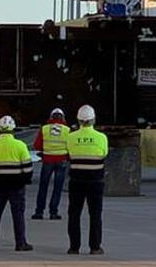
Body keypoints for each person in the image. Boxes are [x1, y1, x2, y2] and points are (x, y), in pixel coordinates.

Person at [0, 115, 33, 252]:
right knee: (18, 215)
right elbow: (28, 170)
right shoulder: (20, 146)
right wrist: (23, 181)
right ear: (13, 129)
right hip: (16, 187)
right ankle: (20, 243)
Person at [66, 104, 108, 256]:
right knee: (95, 214)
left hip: (76, 181)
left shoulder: (70, 137)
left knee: (74, 214)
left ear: (78, 120)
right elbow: (104, 154)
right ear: (93, 120)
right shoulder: (101, 138)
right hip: (96, 181)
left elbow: (69, 154)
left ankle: (74, 247)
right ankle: (95, 247)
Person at [32, 107, 70, 220]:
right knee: (57, 188)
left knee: (43, 187)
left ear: (51, 117)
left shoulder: (44, 129)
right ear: (62, 117)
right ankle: (53, 212)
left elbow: (37, 146)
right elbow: (70, 146)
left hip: (47, 161)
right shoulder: (67, 130)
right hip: (61, 161)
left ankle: (39, 212)